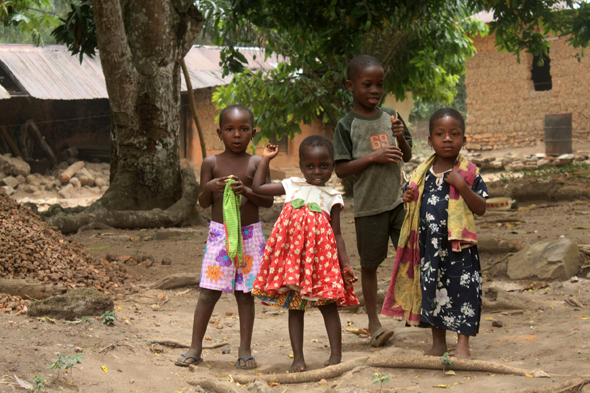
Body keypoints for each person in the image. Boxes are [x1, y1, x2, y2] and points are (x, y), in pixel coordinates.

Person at [381, 108, 488, 360]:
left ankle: (462, 345)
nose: (447, 138)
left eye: (455, 133)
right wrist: (408, 197)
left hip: (460, 249)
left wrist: (461, 185)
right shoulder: (421, 173)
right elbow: (412, 201)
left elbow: (481, 207)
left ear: (463, 139)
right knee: (433, 292)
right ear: (430, 141)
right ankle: (438, 343)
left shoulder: (469, 172)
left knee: (464, 293)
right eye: (440, 134)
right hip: (430, 250)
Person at [175, 105, 273, 370]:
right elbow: (203, 202)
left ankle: (244, 350)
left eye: (243, 129)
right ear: (220, 133)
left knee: (245, 295)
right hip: (220, 235)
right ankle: (195, 347)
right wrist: (209, 186)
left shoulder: (257, 162)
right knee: (208, 293)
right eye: (230, 129)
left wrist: (248, 191)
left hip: (250, 236)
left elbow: (268, 201)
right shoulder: (211, 163)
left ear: (253, 132)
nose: (237, 135)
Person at [251, 135, 359, 373]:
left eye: (324, 166)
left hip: (321, 263)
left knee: (328, 305)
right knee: (295, 307)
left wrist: (346, 265)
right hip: (293, 263)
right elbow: (258, 188)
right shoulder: (292, 185)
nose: (317, 171)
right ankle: (298, 358)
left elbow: (338, 234)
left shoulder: (332, 196)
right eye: (310, 166)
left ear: (332, 165)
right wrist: (265, 160)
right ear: (301, 166)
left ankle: (336, 355)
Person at [333, 55, 413, 347]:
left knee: (413, 256)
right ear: (351, 86)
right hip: (368, 208)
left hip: (399, 202)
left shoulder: (391, 115)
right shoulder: (346, 124)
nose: (374, 90)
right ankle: (374, 323)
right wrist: (373, 157)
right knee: (369, 265)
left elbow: (408, 154)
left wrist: (400, 138)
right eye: (367, 84)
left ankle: (416, 311)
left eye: (379, 84)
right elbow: (341, 168)